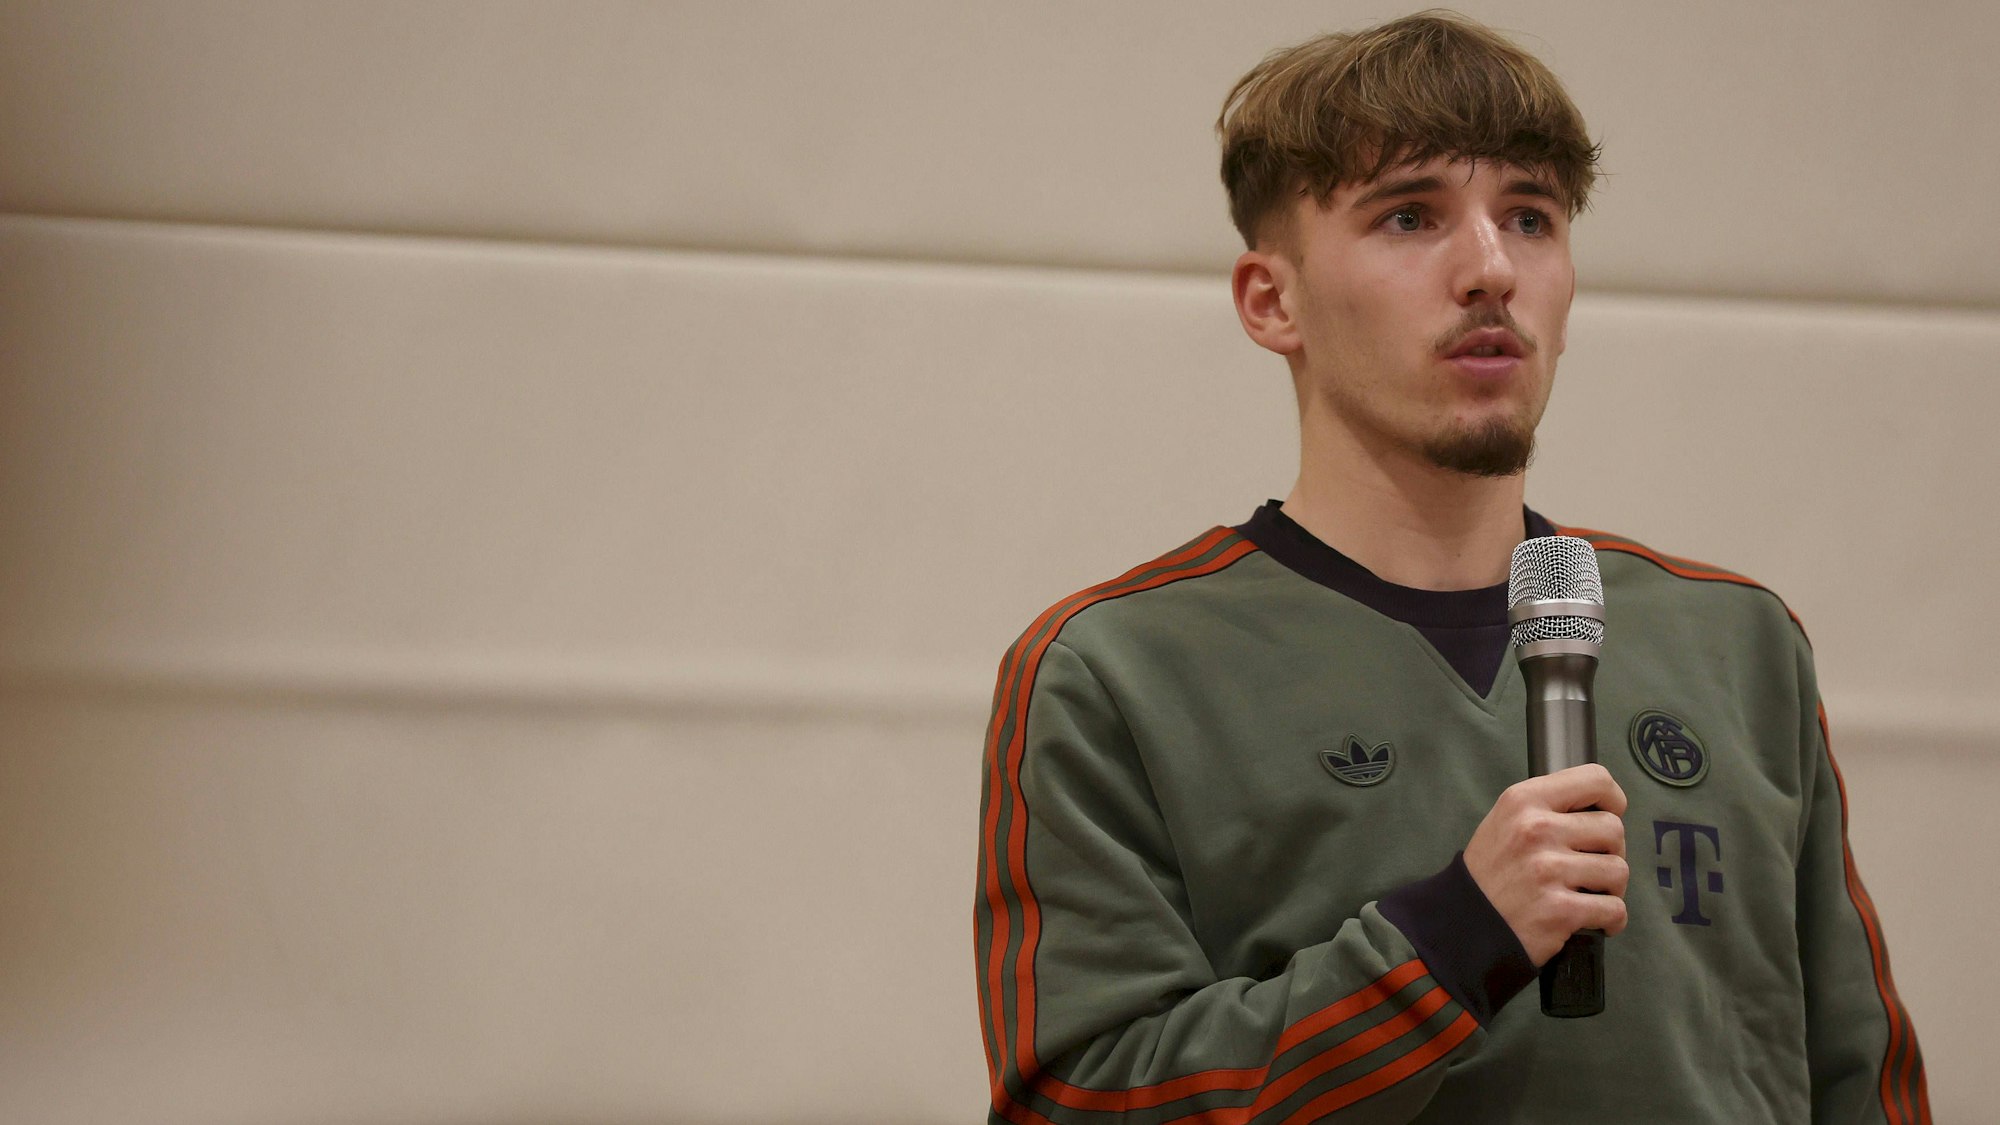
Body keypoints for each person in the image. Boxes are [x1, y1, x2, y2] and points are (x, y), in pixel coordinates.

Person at [972, 12, 1929, 1124]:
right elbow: (1074, 1100)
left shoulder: (1736, 641)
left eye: (1530, 217)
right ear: (1272, 300)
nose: (1490, 269)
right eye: (1409, 216)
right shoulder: (1113, 671)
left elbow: (1860, 1079)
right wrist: (1450, 941)